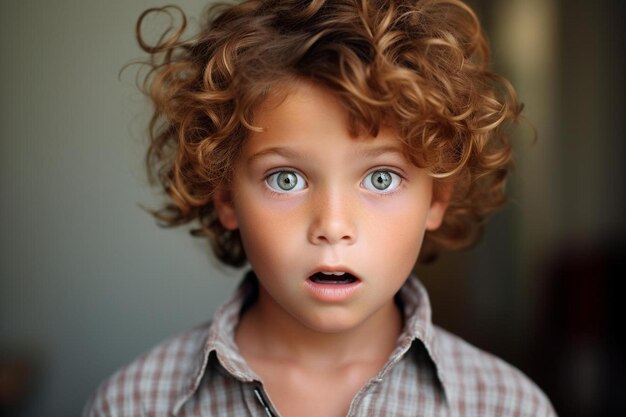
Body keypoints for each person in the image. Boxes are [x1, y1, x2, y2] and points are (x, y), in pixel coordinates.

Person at [84, 0, 556, 416]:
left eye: (381, 178)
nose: (333, 226)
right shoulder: (135, 404)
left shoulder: (508, 406)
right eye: (285, 179)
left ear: (436, 199)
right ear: (225, 197)